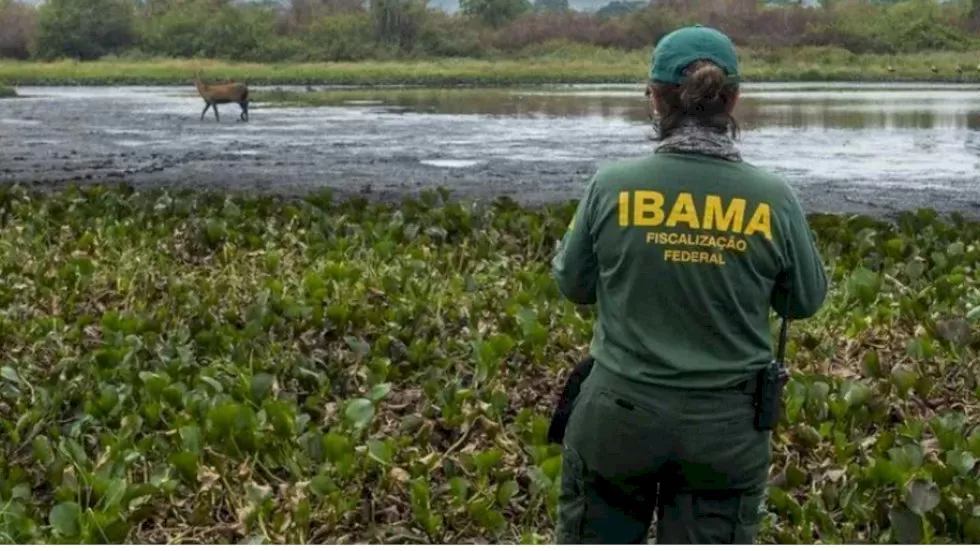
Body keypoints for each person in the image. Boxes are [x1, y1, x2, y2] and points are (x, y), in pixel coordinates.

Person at [549, 25, 828, 544]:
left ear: (656, 101)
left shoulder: (611, 185)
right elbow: (805, 300)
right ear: (733, 99)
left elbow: (574, 284)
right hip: (726, 430)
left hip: (618, 417)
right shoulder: (774, 197)